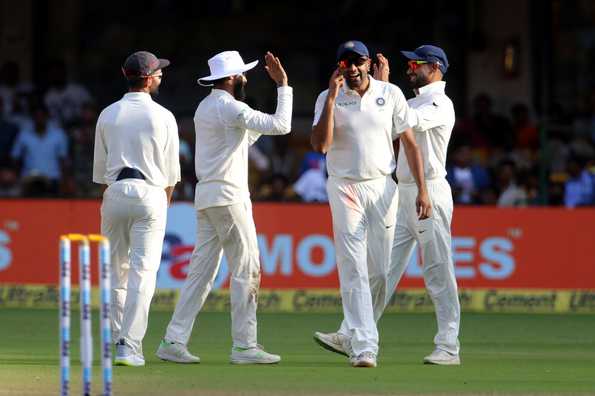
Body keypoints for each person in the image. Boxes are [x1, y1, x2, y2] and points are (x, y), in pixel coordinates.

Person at [156, 50, 292, 365]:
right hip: (229, 199)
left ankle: (173, 340)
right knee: (247, 269)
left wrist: (252, 124)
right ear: (232, 78)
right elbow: (283, 125)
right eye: (243, 74)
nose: (246, 78)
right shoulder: (231, 107)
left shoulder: (206, 107)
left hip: (208, 198)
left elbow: (239, 143)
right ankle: (245, 346)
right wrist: (283, 85)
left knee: (201, 275)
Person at [311, 40, 431, 368]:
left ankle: (352, 332)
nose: (351, 68)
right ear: (338, 67)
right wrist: (333, 99)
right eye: (345, 63)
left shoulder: (389, 93)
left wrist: (423, 190)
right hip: (344, 185)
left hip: (382, 187)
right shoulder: (327, 97)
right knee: (353, 266)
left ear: (367, 62)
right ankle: (365, 346)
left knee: (379, 270)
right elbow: (320, 145)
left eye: (357, 61)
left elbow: (409, 143)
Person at [93, 51, 180, 366]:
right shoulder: (164, 116)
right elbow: (171, 177)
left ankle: (117, 340)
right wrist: (160, 206)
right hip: (151, 193)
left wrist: (113, 200)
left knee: (115, 271)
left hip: (115, 192)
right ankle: (129, 345)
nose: (161, 76)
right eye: (159, 72)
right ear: (149, 77)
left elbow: (101, 174)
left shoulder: (108, 114)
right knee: (142, 273)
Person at [376, 45, 461, 364]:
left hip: (430, 194)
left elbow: (405, 121)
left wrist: (382, 90)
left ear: (435, 68)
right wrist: (378, 93)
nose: (410, 68)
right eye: (410, 64)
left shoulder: (440, 103)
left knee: (438, 270)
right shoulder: (413, 101)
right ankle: (356, 333)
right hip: (404, 194)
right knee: (382, 267)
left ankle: (449, 346)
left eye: (416, 64)